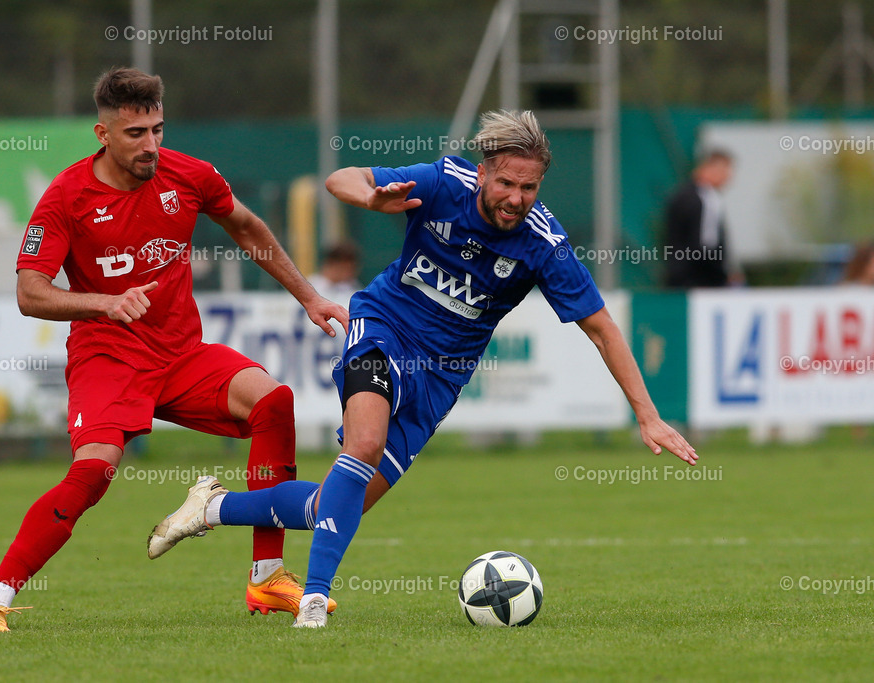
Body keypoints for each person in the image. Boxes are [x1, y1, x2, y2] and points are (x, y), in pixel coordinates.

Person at [148, 109, 698, 628]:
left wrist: (647, 416)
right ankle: (313, 597)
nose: (516, 198)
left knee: (331, 505)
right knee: (361, 446)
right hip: (383, 328)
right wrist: (371, 198)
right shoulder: (442, 183)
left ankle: (212, 508)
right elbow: (340, 178)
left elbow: (601, 327)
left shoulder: (543, 246)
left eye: (529, 187)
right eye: (506, 182)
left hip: (439, 379)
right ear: (484, 172)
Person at [0, 67, 348, 632]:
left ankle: (266, 577)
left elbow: (247, 228)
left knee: (273, 401)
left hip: (181, 355)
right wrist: (104, 303)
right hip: (107, 357)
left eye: (158, 129)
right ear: (103, 134)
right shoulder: (67, 197)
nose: (151, 145)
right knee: (92, 476)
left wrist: (310, 297)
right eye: (136, 134)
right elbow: (29, 292)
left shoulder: (187, 175)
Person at [663, 149, 743, 288]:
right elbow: (705, 244)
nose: (728, 177)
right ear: (708, 169)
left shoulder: (682, 194)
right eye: (725, 171)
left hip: (680, 276)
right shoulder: (706, 199)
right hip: (697, 281)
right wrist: (722, 274)